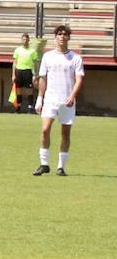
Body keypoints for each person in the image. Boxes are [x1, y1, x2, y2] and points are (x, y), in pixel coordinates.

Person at [33, 23, 84, 176]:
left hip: (67, 100)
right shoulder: (48, 57)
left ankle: (61, 167)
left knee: (65, 133)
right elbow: (43, 78)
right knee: (44, 130)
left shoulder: (75, 58)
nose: (62, 37)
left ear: (68, 37)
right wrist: (40, 98)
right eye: (59, 34)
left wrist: (72, 96)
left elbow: (79, 79)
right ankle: (44, 164)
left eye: (65, 34)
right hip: (50, 99)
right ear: (55, 37)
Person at [11, 32, 39, 113]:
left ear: (29, 40)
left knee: (29, 90)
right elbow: (14, 63)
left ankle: (30, 108)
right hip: (19, 71)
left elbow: (35, 63)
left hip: (28, 71)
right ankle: (18, 107)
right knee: (18, 90)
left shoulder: (32, 51)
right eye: (23, 39)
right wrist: (13, 74)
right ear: (21, 40)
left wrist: (35, 74)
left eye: (26, 39)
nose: (25, 41)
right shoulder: (17, 50)